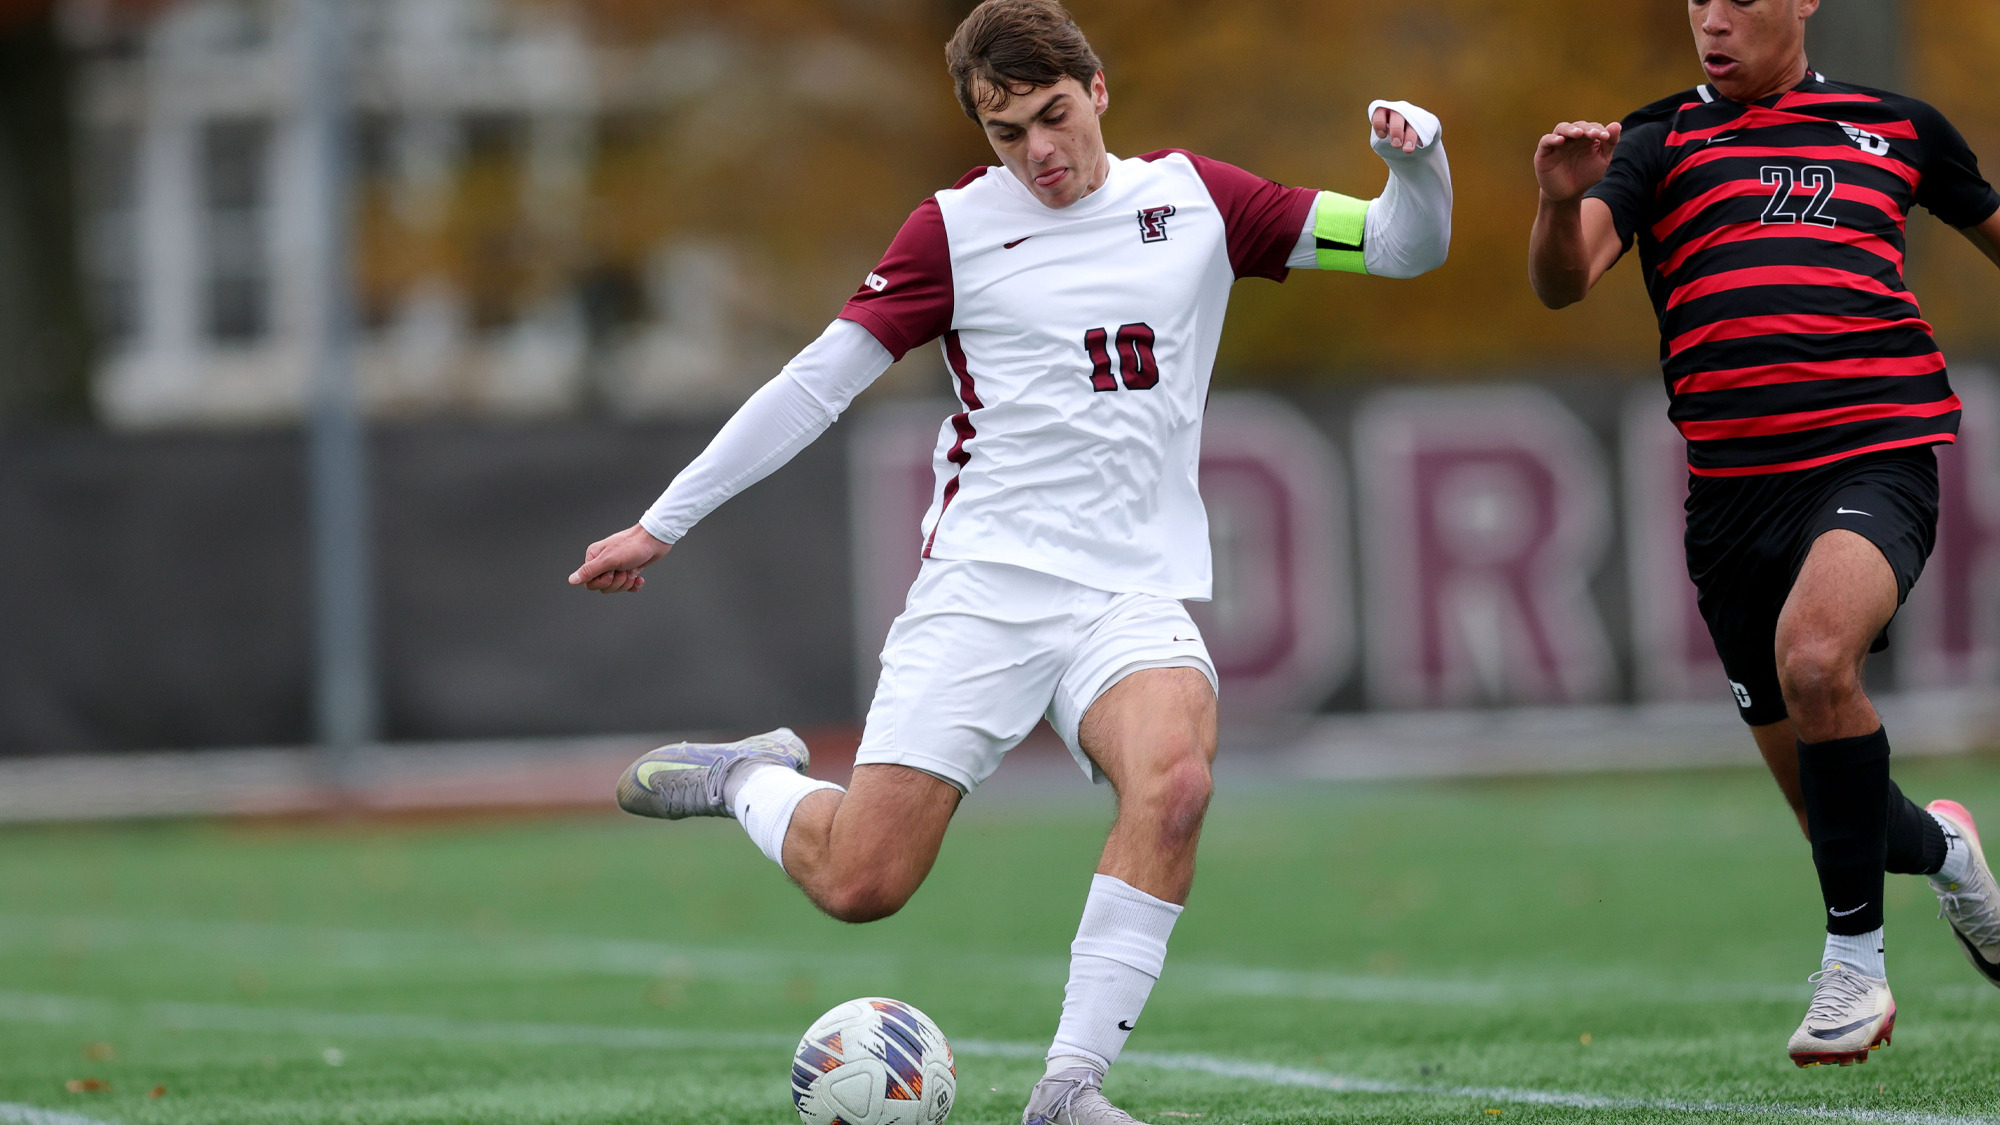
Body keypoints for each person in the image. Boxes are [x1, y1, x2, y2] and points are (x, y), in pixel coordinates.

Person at [568, 1, 1451, 1120]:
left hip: (1126, 593)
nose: (1039, 151)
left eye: (1053, 115)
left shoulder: (1199, 201)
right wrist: (663, 522)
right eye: (1006, 132)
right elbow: (814, 384)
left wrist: (1415, 165)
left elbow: (1403, 246)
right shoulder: (951, 231)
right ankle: (747, 775)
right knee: (861, 882)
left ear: (1098, 89)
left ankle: (1068, 1090)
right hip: (984, 590)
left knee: (1175, 783)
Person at [1528, 0, 2000, 1068]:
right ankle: (1950, 856)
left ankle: (1853, 971)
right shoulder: (1656, 141)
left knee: (1816, 658)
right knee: (1840, 820)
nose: (1714, 18)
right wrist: (1557, 203)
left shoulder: (1899, 127)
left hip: (1876, 456)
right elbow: (1562, 283)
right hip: (1732, 505)